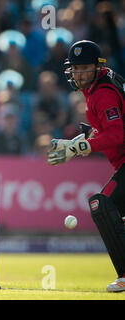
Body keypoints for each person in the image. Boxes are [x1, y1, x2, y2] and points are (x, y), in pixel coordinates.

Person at [47, 40, 125, 292]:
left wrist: (81, 147)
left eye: (84, 68)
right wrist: (84, 139)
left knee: (101, 205)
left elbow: (117, 135)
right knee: (114, 212)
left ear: (98, 67)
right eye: (75, 69)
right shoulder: (101, 85)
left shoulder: (102, 93)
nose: (79, 74)